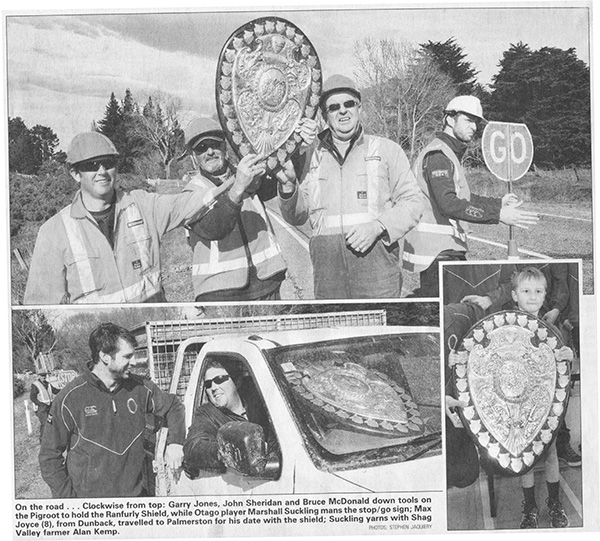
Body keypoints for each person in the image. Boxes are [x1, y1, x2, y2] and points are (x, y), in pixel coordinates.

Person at [24, 131, 232, 304]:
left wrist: (232, 186)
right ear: (75, 173)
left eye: (108, 163)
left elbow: (186, 203)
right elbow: (41, 306)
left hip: (156, 329)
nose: (102, 171)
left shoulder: (144, 205)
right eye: (92, 165)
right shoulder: (53, 232)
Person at [278, 74, 425, 299]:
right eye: (334, 107)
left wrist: (378, 226)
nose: (343, 111)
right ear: (324, 116)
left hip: (377, 273)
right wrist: (288, 186)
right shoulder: (308, 155)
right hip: (328, 274)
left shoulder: (387, 150)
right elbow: (297, 216)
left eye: (349, 104)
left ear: (359, 107)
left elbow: (413, 202)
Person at [403, 95, 540, 296]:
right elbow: (448, 204)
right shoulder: (438, 156)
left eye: (476, 122)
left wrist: (497, 204)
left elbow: (463, 196)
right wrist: (498, 216)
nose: (474, 127)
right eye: (468, 120)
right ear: (450, 119)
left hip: (446, 251)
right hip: (437, 253)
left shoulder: (448, 153)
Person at [39, 323, 185, 498]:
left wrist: (176, 442)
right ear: (105, 357)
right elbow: (49, 457)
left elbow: (174, 406)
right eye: (127, 356)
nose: (134, 362)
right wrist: (70, 502)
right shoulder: (70, 398)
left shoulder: (140, 388)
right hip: (90, 508)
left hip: (134, 502)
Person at [181, 117, 288, 301]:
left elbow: (280, 169)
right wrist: (238, 187)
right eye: (201, 147)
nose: (209, 151)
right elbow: (213, 227)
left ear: (225, 147)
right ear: (193, 156)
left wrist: (299, 139)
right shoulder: (191, 191)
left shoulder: (249, 174)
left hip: (267, 283)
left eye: (215, 144)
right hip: (220, 293)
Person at [506, 267, 571, 528]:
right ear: (514, 295)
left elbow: (563, 365)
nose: (532, 297)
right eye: (526, 291)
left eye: (538, 291)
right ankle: (529, 507)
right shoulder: (506, 328)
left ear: (545, 296)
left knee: (551, 452)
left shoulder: (553, 331)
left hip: (544, 405)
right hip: (516, 406)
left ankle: (554, 504)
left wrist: (569, 356)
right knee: (526, 458)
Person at [443, 262, 516, 489]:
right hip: (453, 339)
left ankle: (494, 457)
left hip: (486, 336)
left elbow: (511, 282)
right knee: (464, 475)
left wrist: (489, 299)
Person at [183, 360, 278, 476]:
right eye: (208, 384)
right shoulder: (207, 414)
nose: (213, 387)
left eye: (219, 379)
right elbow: (194, 447)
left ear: (237, 381)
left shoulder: (261, 405)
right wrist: (227, 452)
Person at [29, 370, 59, 441]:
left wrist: (64, 389)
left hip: (50, 407)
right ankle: (42, 440)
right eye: (42, 375)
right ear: (38, 376)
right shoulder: (35, 385)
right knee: (45, 423)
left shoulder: (48, 384)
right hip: (41, 409)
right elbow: (32, 397)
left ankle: (50, 439)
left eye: (44, 375)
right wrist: (41, 404)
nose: (43, 377)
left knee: (51, 423)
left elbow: (54, 391)